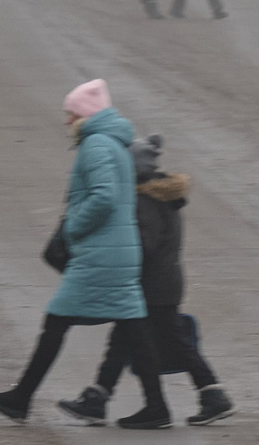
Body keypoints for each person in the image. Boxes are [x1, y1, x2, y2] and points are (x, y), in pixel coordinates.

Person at [0, 80, 171, 429]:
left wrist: (73, 228)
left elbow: (104, 196)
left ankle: (20, 398)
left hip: (101, 253)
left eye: (71, 114)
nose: (67, 121)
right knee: (134, 327)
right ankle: (157, 407)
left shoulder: (96, 144)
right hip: (118, 251)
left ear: (85, 114)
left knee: (57, 320)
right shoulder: (115, 143)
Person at [58, 133, 234, 426]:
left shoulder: (143, 200)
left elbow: (144, 246)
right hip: (162, 282)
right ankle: (98, 398)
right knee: (126, 340)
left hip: (151, 285)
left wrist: (113, 257)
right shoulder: (161, 193)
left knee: (165, 341)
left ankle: (204, 397)